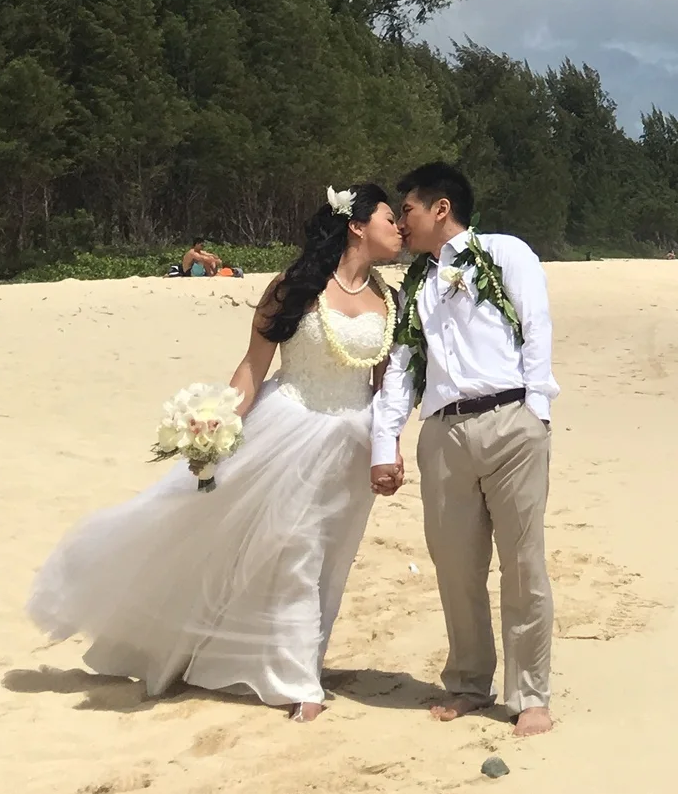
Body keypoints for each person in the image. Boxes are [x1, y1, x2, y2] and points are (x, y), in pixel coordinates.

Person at [30, 185, 405, 721]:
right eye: (390, 218)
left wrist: (386, 450)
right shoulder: (294, 287)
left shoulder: (388, 300)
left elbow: (387, 385)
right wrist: (218, 426)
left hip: (352, 442)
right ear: (356, 224)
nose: (399, 229)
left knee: (331, 560)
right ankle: (300, 683)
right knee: (294, 553)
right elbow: (253, 367)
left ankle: (286, 659)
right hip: (290, 431)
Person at [370, 162, 559, 737]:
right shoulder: (417, 284)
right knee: (455, 564)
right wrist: (387, 441)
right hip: (443, 432)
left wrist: (537, 413)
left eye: (407, 210)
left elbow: (536, 326)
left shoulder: (504, 254)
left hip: (509, 421)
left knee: (523, 563)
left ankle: (530, 694)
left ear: (440, 209)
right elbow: (402, 364)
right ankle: (470, 682)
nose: (401, 222)